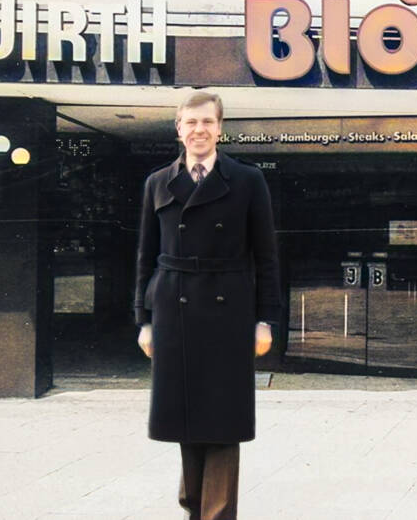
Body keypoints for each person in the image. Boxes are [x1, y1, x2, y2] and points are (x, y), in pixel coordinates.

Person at [135, 91, 281, 520]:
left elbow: (267, 256)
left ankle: (216, 515)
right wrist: (143, 321)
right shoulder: (158, 182)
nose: (199, 130)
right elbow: (145, 256)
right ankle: (192, 507)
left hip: (228, 309)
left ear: (220, 129)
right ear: (178, 129)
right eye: (191, 123)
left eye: (207, 122)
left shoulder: (248, 179)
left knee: (222, 420)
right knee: (184, 417)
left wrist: (264, 321)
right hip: (173, 310)